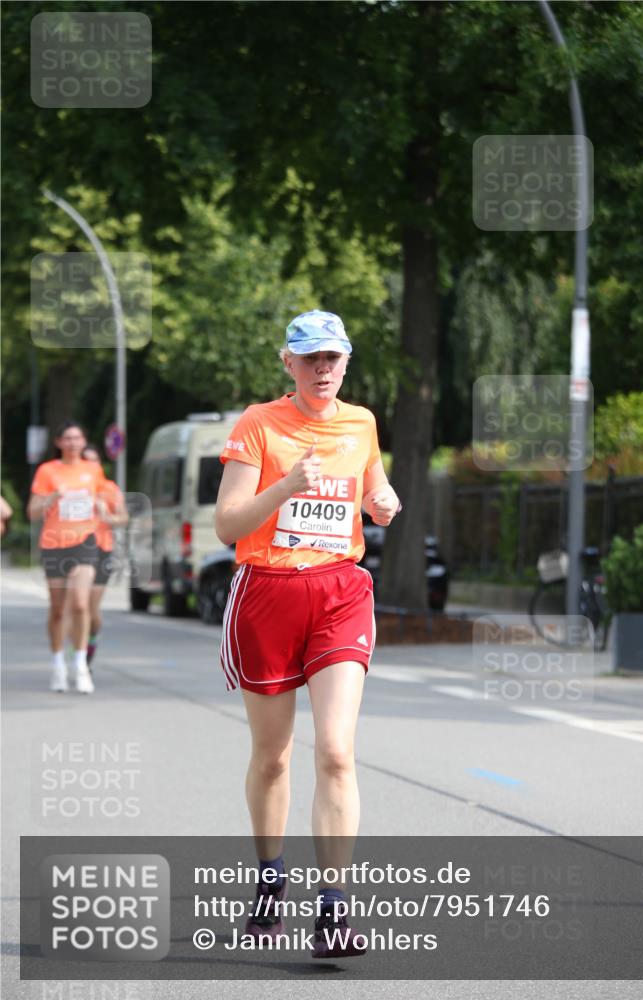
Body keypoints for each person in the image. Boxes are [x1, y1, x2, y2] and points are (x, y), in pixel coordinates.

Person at [215, 310, 401, 959]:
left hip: (339, 593)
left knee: (336, 751)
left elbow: (371, 482)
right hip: (266, 593)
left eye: (333, 357)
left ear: (346, 362)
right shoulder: (258, 425)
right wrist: (285, 486)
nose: (323, 369)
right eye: (311, 358)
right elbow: (226, 524)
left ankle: (333, 910)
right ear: (287, 363)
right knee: (273, 757)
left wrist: (381, 500)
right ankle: (270, 880)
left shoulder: (361, 422)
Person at [27, 421, 105, 694]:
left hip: (84, 541)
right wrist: (51, 497)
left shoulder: (93, 470)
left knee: (82, 604)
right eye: (67, 438)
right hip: (54, 543)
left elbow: (103, 501)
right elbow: (33, 512)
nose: (73, 443)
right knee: (58, 609)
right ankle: (58, 663)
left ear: (84, 442)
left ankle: (81, 665)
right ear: (59, 442)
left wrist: (101, 505)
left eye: (77, 438)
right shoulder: (47, 471)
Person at [77, 444, 129, 669]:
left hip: (101, 549)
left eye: (94, 460)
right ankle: (76, 652)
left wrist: (106, 514)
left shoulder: (109, 488)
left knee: (90, 607)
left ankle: (90, 644)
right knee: (76, 606)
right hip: (74, 549)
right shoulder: (73, 487)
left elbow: (123, 518)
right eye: (85, 460)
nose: (90, 465)